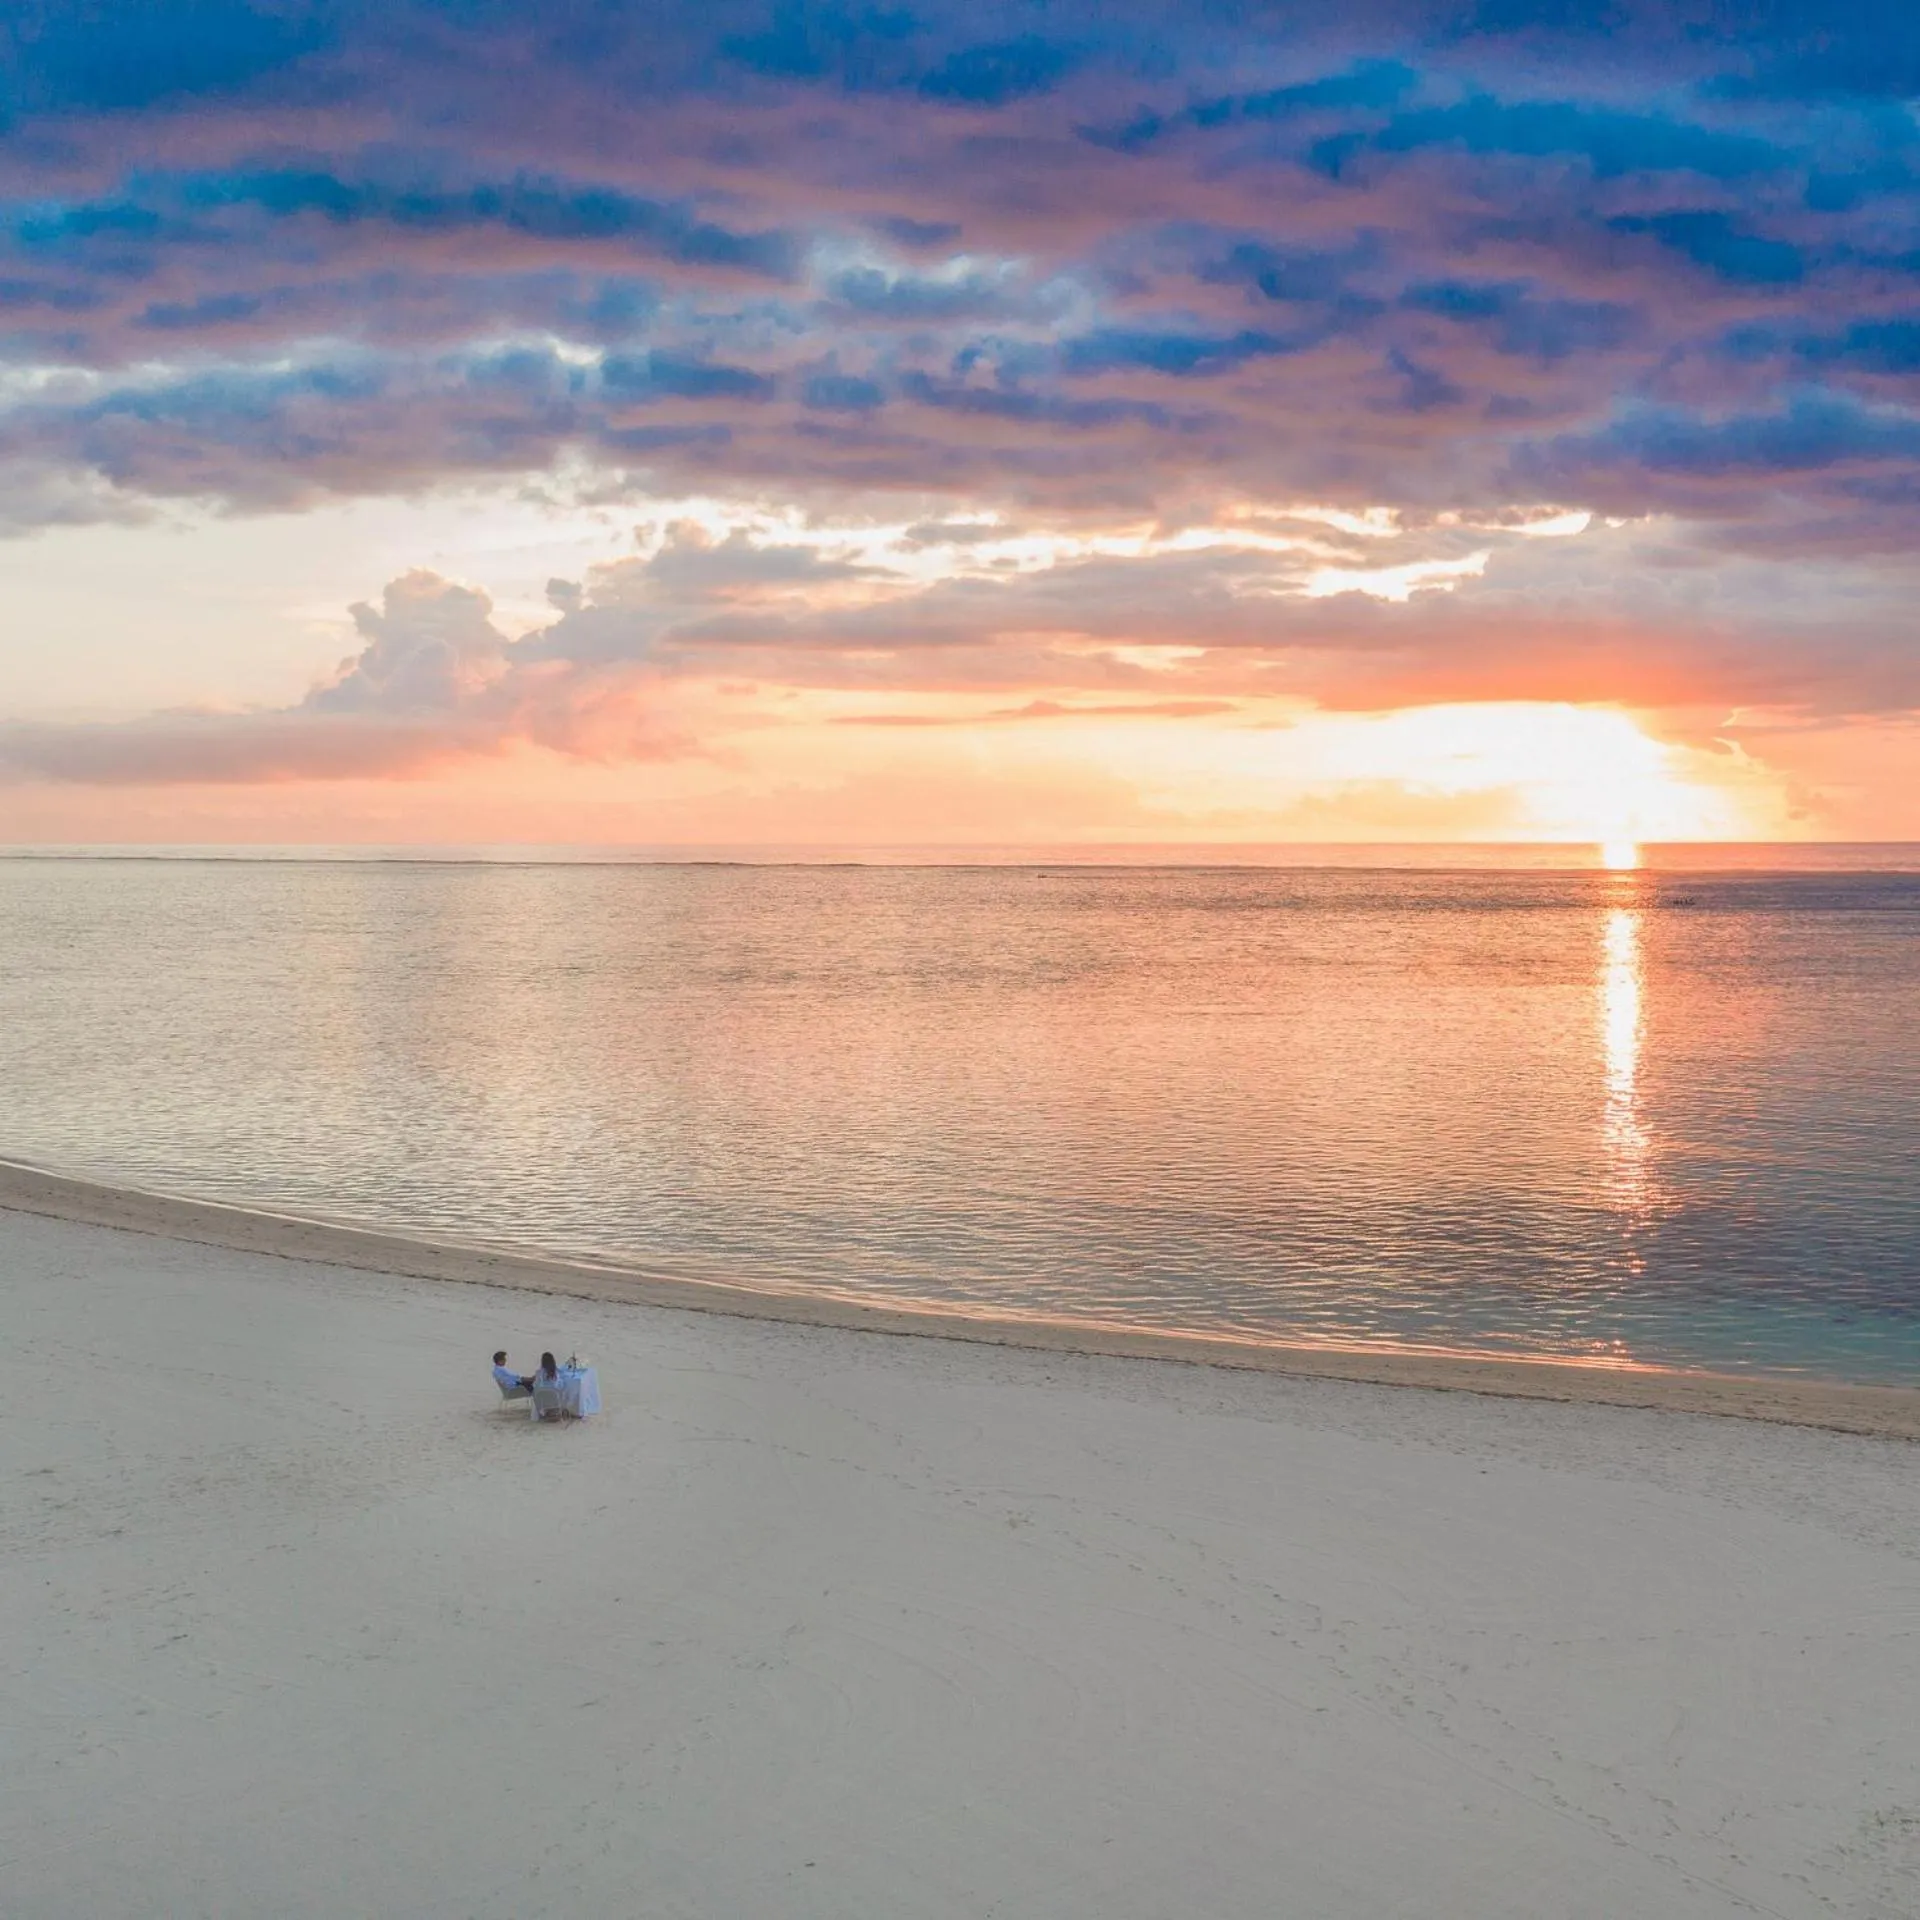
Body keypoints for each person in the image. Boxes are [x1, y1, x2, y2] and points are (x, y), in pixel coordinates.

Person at [532, 1351, 565, 1421]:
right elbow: (560, 1386)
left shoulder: (539, 1372)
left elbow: (536, 1385)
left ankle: (545, 1411)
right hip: (554, 1398)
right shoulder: (556, 1373)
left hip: (542, 1398)